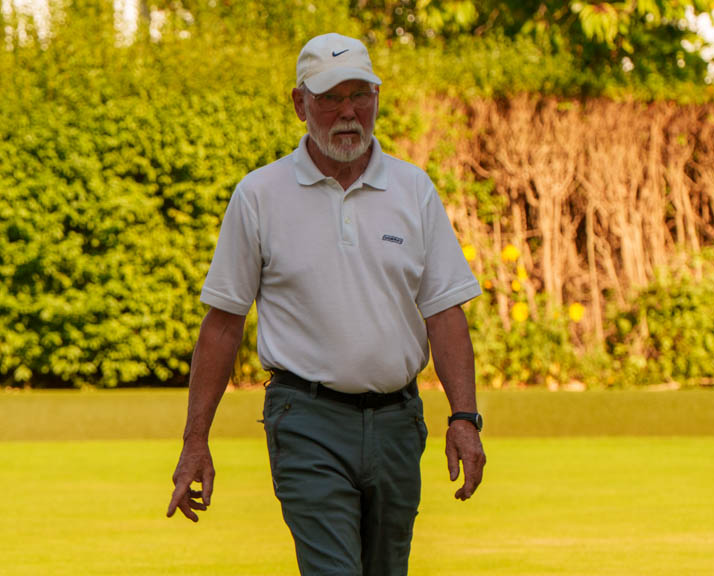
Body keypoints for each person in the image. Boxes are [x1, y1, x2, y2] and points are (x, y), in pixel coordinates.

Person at [167, 32, 487, 576]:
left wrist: (464, 418)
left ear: (377, 97)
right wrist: (195, 440)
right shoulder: (260, 195)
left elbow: (444, 311)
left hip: (397, 422)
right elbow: (223, 325)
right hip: (305, 418)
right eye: (330, 97)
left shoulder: (414, 190)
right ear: (300, 104)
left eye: (359, 94)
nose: (348, 113)